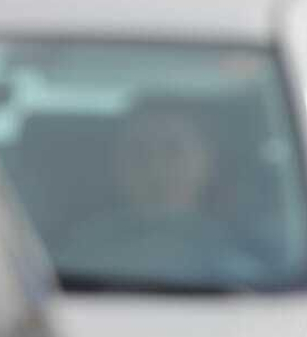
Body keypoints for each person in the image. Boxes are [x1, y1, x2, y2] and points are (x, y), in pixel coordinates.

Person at [57, 102, 262, 286]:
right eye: (139, 152)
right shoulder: (84, 249)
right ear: (116, 166)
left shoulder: (242, 256)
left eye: (173, 151)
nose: (155, 169)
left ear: (208, 162)